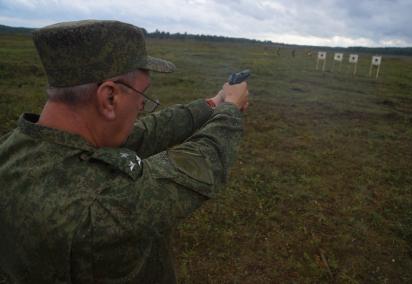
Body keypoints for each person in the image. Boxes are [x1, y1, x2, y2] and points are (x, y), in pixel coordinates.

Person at [0, 20, 249, 283]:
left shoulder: (11, 149)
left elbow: (144, 132)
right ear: (109, 97)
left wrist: (214, 103)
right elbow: (200, 164)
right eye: (142, 97)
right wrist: (230, 110)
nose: (141, 107)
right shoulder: (102, 206)